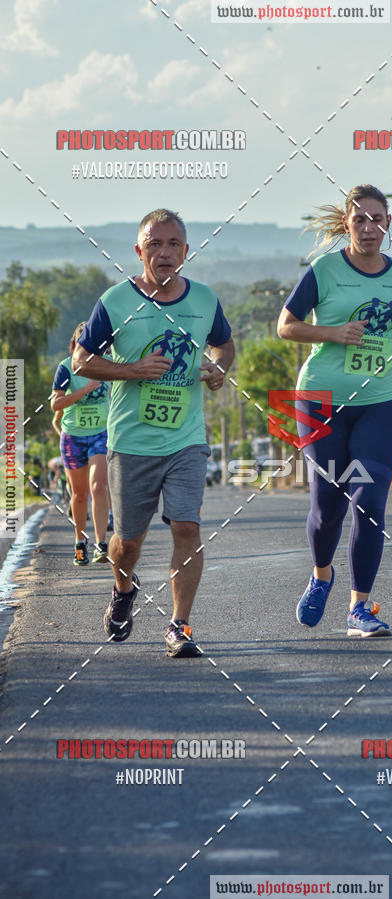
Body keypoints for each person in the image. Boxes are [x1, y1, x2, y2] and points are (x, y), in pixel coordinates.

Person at [277, 184, 392, 637]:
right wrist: (332, 333)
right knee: (326, 507)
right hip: (321, 399)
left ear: (388, 223)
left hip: (381, 398)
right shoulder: (324, 269)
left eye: (377, 220)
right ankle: (321, 575)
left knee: (369, 500)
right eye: (359, 220)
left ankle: (360, 608)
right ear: (346, 224)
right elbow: (286, 326)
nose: (369, 228)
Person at [72, 208, 235, 658]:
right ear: (139, 251)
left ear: (186, 250)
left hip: (186, 439)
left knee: (187, 525)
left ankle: (179, 626)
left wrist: (219, 368)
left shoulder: (204, 299)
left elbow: (224, 344)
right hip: (131, 443)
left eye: (173, 244)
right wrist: (132, 370)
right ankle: (123, 589)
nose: (164, 253)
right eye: (155, 244)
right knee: (127, 543)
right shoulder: (115, 302)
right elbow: (82, 360)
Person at [51, 323, 111, 565]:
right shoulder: (66, 367)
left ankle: (101, 544)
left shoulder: (109, 365)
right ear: (75, 345)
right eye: (83, 344)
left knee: (99, 486)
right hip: (73, 437)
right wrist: (84, 390)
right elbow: (56, 404)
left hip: (101, 434)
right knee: (78, 494)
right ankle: (80, 542)